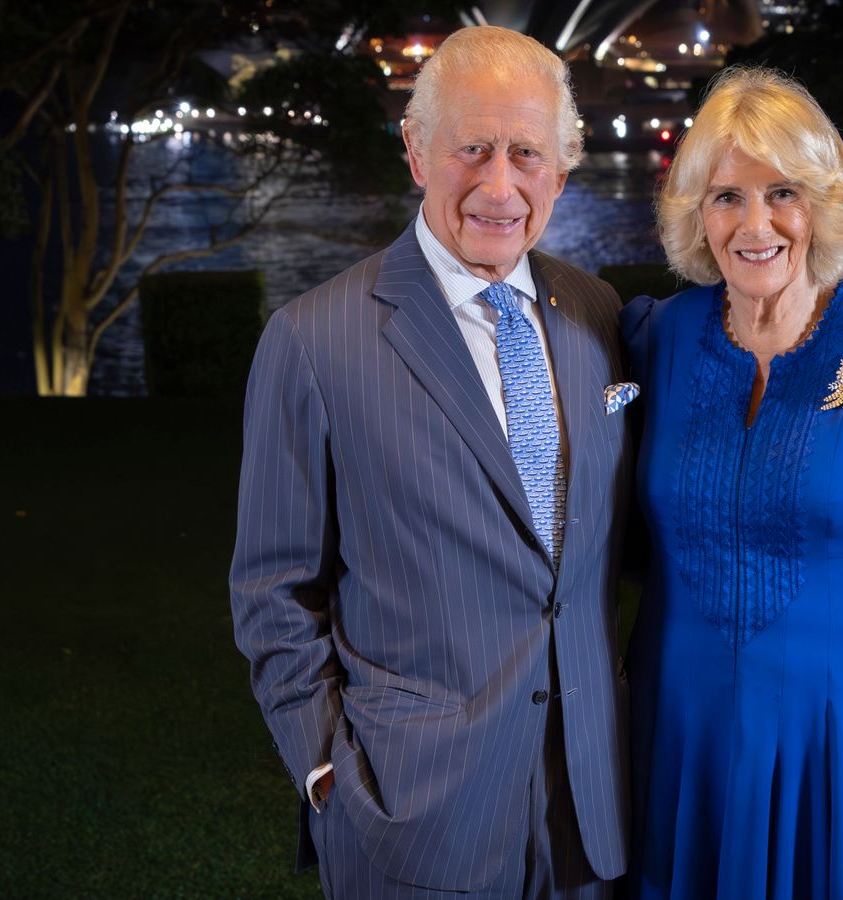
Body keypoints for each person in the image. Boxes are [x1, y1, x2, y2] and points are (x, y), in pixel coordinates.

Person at [229, 25, 634, 899]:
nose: (500, 185)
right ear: (416, 151)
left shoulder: (597, 313)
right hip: (410, 819)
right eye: (472, 149)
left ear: (561, 173)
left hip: (591, 817)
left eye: (527, 153)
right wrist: (328, 772)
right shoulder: (314, 340)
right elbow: (272, 588)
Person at [621, 67, 843, 899]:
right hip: (681, 729)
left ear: (822, 199)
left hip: (841, 736)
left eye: (782, 191)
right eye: (726, 197)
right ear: (696, 214)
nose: (755, 224)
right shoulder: (658, 339)